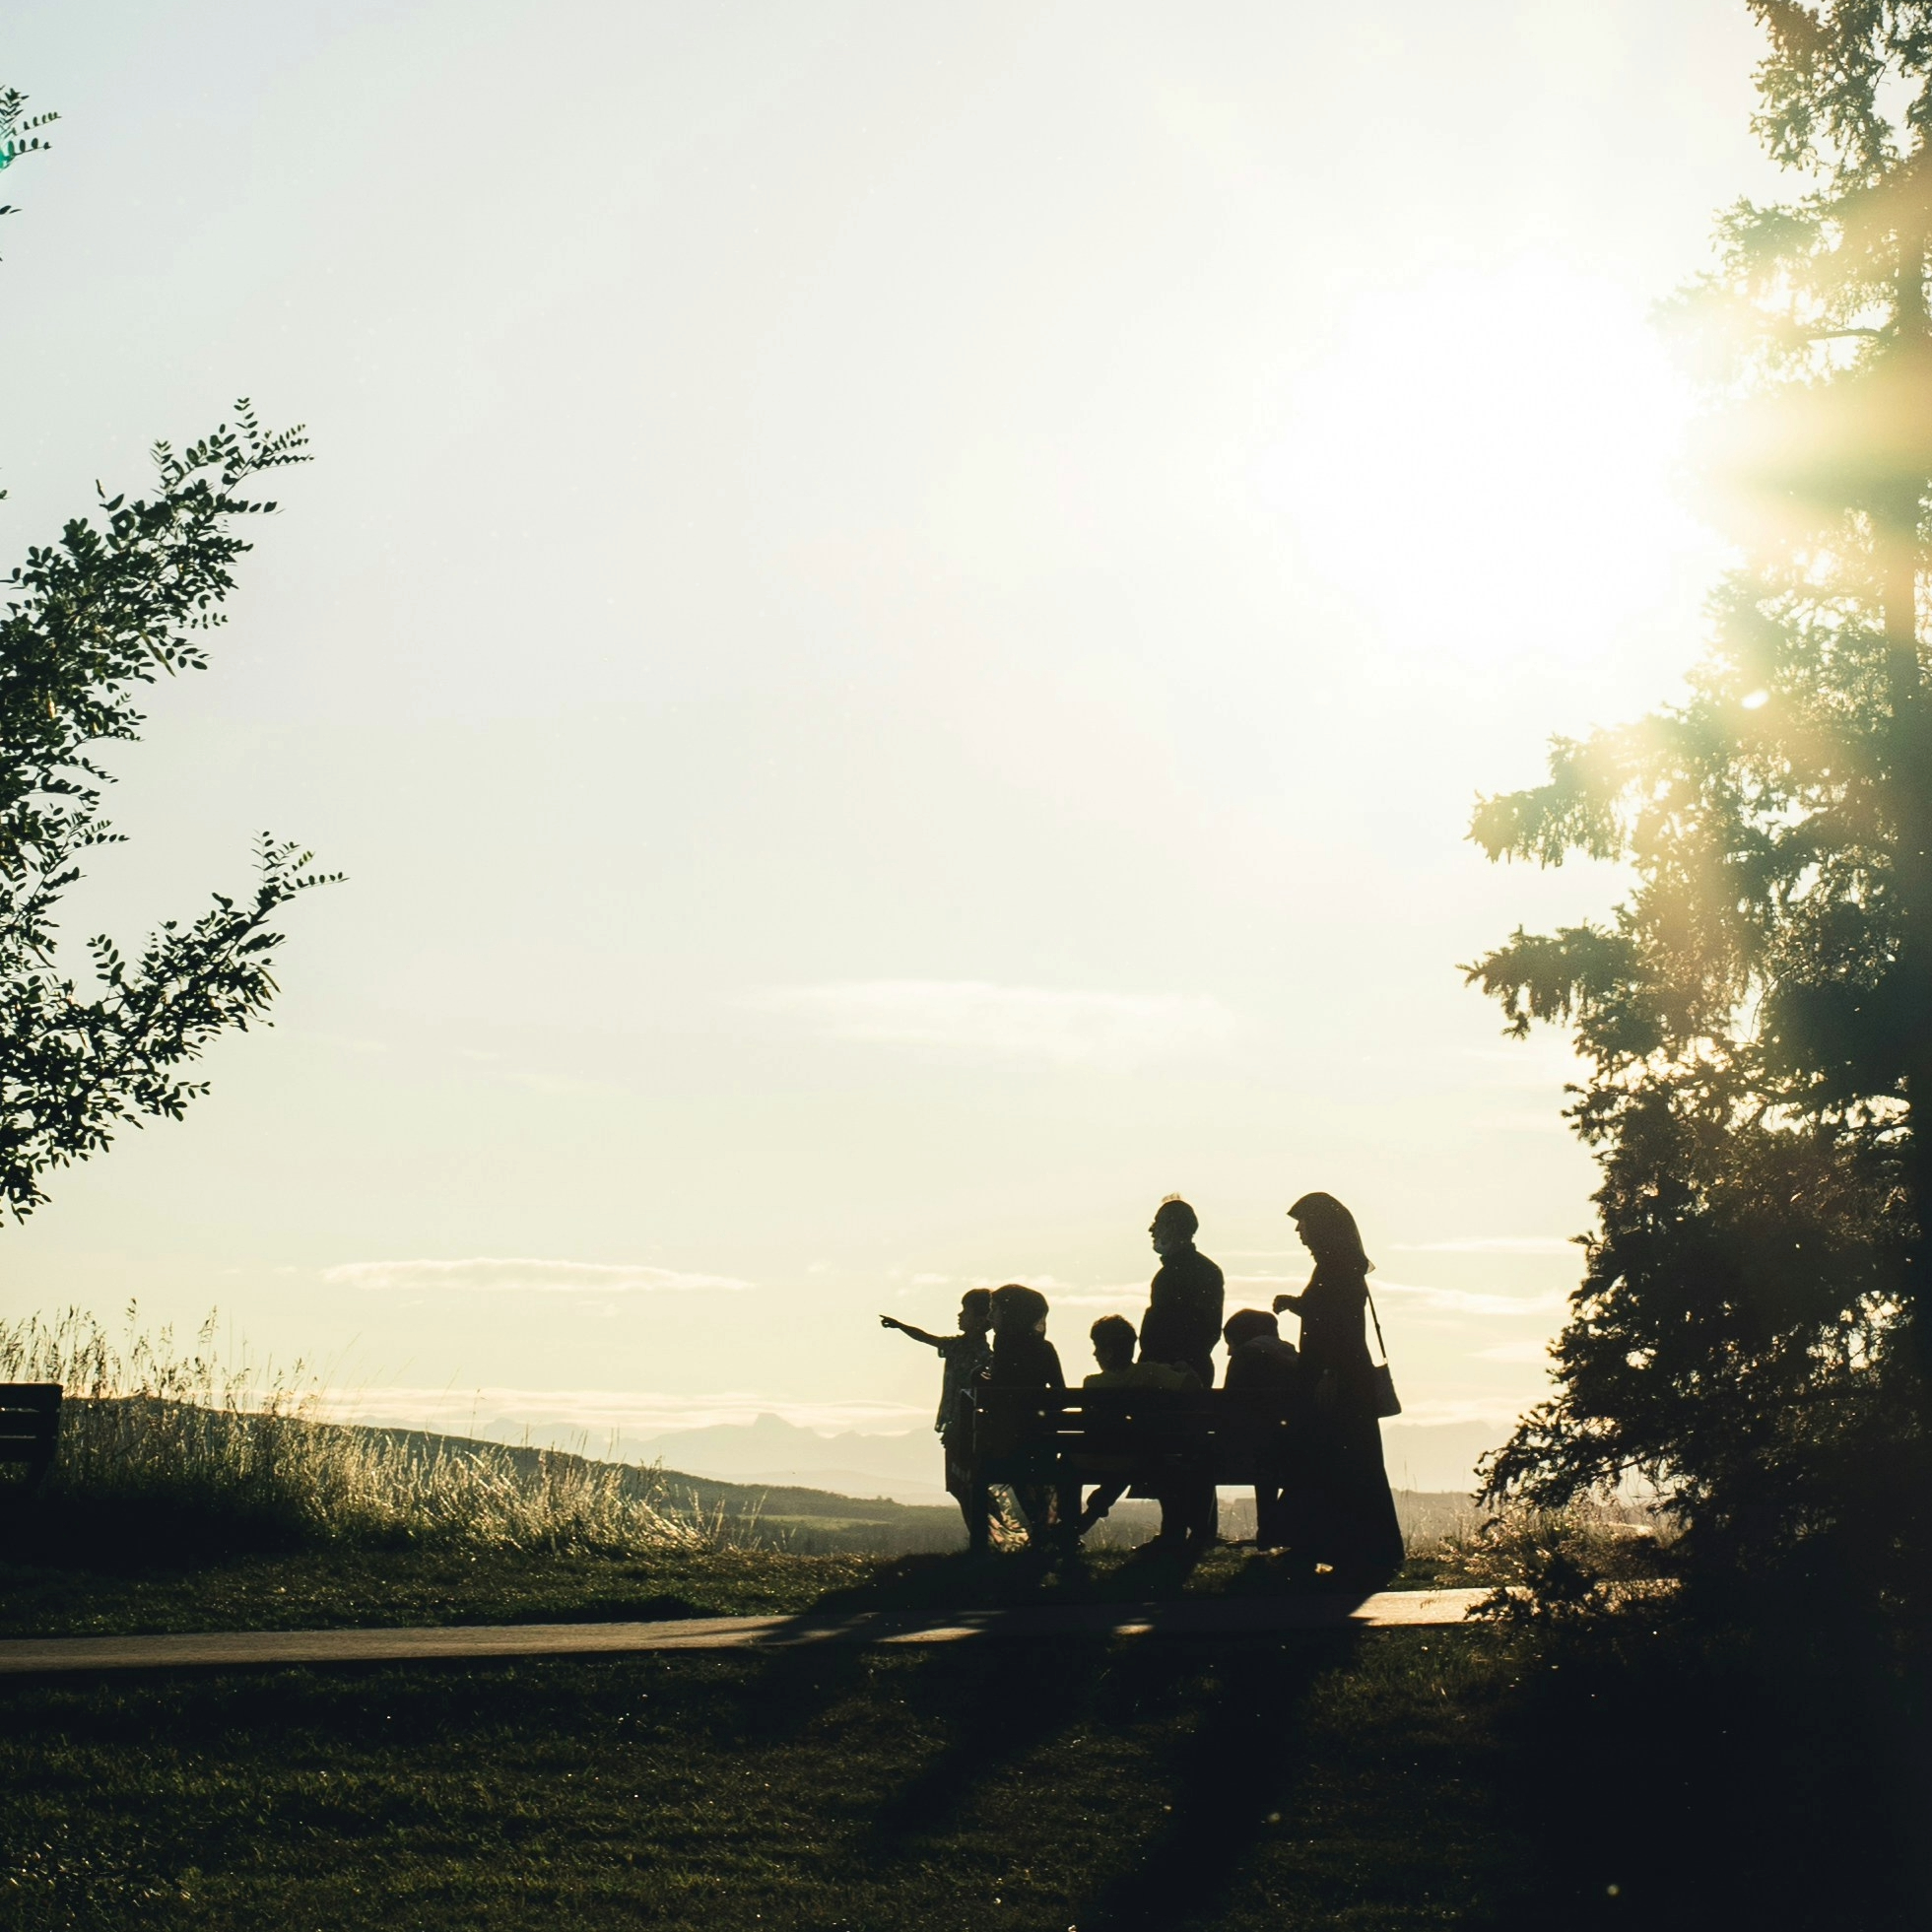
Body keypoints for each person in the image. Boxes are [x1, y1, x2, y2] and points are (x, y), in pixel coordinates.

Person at [1272, 1191, 1404, 1585]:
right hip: (1346, 1378)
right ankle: (1359, 1549)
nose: (1299, 1231)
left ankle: (1329, 1548)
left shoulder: (1335, 1266)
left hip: (1336, 1379)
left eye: (1303, 1222)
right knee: (1350, 1465)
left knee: (1333, 1464)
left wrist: (1327, 1371)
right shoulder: (1343, 1264)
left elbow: (1333, 1321)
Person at [1075, 1313, 1199, 1541]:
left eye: (1096, 1348)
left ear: (1108, 1352)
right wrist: (1184, 1370)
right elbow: (1193, 1387)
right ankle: (1172, 1536)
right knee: (1136, 1459)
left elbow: (1089, 1428)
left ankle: (1074, 1523)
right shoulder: (1150, 1373)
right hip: (1145, 1456)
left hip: (1098, 1456)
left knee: (1119, 1461)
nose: (1094, 1354)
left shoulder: (1092, 1383)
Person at [879, 1289, 994, 1532]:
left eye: (966, 1311)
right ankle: (985, 1533)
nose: (960, 1315)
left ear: (982, 1319)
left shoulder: (963, 1349)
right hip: (969, 1427)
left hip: (960, 1426)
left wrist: (900, 1326)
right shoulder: (980, 1353)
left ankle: (981, 1533)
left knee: (961, 1483)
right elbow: (925, 1337)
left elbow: (926, 1338)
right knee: (965, 1483)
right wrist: (901, 1326)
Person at [985, 1284, 1065, 1543]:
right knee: (1038, 1476)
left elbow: (997, 1394)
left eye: (994, 1309)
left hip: (1007, 1442)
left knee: (1016, 1471)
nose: (990, 1316)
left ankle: (1036, 1532)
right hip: (1042, 1439)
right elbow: (1060, 1396)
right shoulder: (1045, 1348)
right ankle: (1049, 1531)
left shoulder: (1004, 1347)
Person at [1222, 1307, 1302, 1553]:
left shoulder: (1245, 1356)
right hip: (1299, 1448)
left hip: (1246, 1450)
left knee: (1263, 1455)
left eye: (1230, 1342)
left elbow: (1228, 1407)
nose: (1228, 1351)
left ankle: (1269, 1530)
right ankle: (1275, 1531)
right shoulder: (1294, 1356)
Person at [1137, 1195, 1225, 1389]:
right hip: (1192, 1370)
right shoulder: (1208, 1270)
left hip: (1169, 1375)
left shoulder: (1169, 1275)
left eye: (1157, 1223)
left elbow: (1162, 1330)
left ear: (1172, 1227)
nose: (1152, 1230)